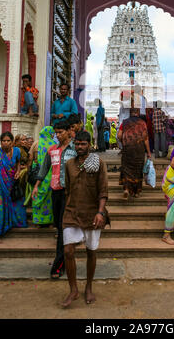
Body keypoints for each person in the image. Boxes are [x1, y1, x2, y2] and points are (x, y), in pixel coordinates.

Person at [61, 130, 109, 308]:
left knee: (91, 251)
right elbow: (67, 190)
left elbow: (103, 190)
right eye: (77, 143)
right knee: (68, 251)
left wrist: (100, 212)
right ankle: (73, 290)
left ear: (89, 144)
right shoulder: (69, 165)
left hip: (92, 212)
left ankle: (89, 286)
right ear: (74, 144)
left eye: (83, 144)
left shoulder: (99, 163)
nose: (80, 147)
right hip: (72, 211)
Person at [32, 120, 76, 279]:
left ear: (68, 132)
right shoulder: (52, 150)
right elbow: (44, 168)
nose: (57, 135)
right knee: (58, 226)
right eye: (56, 133)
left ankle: (58, 265)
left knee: (63, 226)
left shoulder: (75, 150)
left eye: (60, 132)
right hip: (55, 192)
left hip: (69, 193)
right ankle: (66, 257)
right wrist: (37, 185)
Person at [0, 131, 27, 243]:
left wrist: (17, 171)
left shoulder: (16, 151)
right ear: (0, 142)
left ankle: (11, 223)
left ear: (12, 142)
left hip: (11, 183)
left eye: (8, 141)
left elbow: (17, 163)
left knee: (15, 203)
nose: (6, 143)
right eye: (3, 141)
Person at [117, 108, 151, 199]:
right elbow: (146, 139)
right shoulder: (142, 123)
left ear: (130, 113)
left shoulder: (124, 122)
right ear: (138, 113)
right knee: (138, 169)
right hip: (139, 149)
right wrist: (148, 153)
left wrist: (124, 141)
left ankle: (127, 189)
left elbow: (119, 135)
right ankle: (136, 192)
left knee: (126, 168)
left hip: (127, 148)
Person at [31, 126, 55, 227]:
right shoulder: (53, 145)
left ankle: (38, 221)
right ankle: (48, 221)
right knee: (48, 198)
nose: (53, 135)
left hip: (37, 174)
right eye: (52, 133)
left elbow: (30, 157)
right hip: (50, 175)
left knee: (36, 195)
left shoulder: (36, 143)